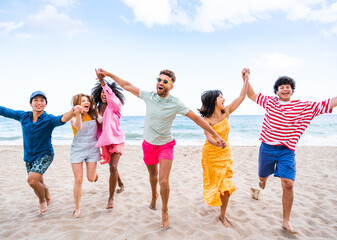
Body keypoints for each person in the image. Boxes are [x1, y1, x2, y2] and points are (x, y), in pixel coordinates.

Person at [96, 68, 226, 228]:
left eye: (165, 81)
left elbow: (195, 119)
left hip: (166, 145)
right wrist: (108, 74)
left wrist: (216, 135)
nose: (161, 83)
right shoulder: (149, 96)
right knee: (153, 177)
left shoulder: (175, 102)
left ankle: (164, 210)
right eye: (159, 79)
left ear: (171, 86)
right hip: (148, 145)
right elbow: (128, 85)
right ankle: (154, 195)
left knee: (163, 181)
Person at [246, 70, 337, 234]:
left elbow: (328, 103)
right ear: (276, 91)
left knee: (288, 184)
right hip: (267, 149)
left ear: (292, 90)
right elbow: (251, 94)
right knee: (262, 177)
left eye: (288, 87)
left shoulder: (302, 107)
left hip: (287, 150)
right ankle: (263, 181)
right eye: (282, 87)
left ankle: (286, 221)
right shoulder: (270, 102)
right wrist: (246, 79)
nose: (285, 89)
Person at [0, 91, 79, 214]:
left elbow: (62, 118)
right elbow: (3, 110)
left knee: (32, 180)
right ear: (30, 103)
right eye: (35, 100)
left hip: (45, 154)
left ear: (45, 104)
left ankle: (42, 200)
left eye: (41, 100)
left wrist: (72, 112)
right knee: (39, 181)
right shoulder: (24, 116)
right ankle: (48, 196)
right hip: (29, 157)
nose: (38, 103)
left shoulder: (49, 119)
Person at [198, 68, 249, 227]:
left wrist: (245, 79)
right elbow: (208, 137)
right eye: (221, 97)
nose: (224, 99)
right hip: (211, 155)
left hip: (226, 154)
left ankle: (222, 215)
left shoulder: (226, 112)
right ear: (213, 100)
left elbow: (241, 97)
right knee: (215, 185)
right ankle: (218, 207)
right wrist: (217, 142)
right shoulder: (206, 119)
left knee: (227, 186)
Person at [91, 69, 126, 209]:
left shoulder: (115, 105)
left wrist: (102, 81)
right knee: (112, 167)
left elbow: (110, 94)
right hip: (105, 141)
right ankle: (121, 183)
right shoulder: (96, 108)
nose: (104, 94)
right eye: (102, 92)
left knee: (113, 166)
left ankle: (111, 199)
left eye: (106, 92)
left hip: (117, 139)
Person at [70, 93, 101, 217]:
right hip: (77, 150)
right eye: (83, 101)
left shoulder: (93, 115)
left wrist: (97, 111)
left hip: (92, 149)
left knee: (91, 178)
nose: (86, 102)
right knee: (79, 179)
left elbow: (103, 121)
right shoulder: (72, 116)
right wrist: (78, 114)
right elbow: (78, 126)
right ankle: (77, 208)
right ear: (77, 104)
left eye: (87, 100)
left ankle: (94, 174)